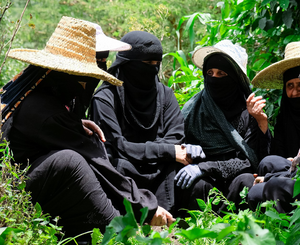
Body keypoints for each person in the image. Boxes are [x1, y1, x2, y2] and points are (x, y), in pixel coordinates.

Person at [1, 17, 174, 241]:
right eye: (95, 62)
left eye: (103, 61)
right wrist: (147, 206)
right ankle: (118, 234)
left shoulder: (49, 92)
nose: (98, 70)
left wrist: (74, 122)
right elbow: (92, 158)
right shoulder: (42, 109)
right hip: (14, 194)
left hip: (36, 181)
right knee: (71, 161)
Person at [91, 31, 205, 216]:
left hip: (162, 168)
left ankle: (169, 217)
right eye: (146, 64)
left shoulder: (165, 94)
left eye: (156, 64)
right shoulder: (105, 98)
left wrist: (150, 152)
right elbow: (115, 146)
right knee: (112, 164)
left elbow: (175, 138)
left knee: (187, 172)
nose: (152, 69)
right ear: (127, 64)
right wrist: (165, 151)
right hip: (123, 170)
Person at [179, 40, 270, 212]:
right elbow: (180, 149)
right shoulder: (194, 111)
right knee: (196, 186)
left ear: (234, 78)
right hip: (205, 182)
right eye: (210, 73)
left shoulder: (247, 112)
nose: (214, 79)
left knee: (247, 182)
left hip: (235, 181)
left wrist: (205, 167)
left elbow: (251, 161)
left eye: (221, 73)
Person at [247, 41, 300, 213]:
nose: (295, 92)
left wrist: (271, 178)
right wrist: (262, 123)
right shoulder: (285, 118)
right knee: (267, 164)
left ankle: (286, 233)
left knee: (273, 186)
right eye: (290, 86)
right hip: (292, 175)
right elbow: (275, 157)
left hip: (292, 178)